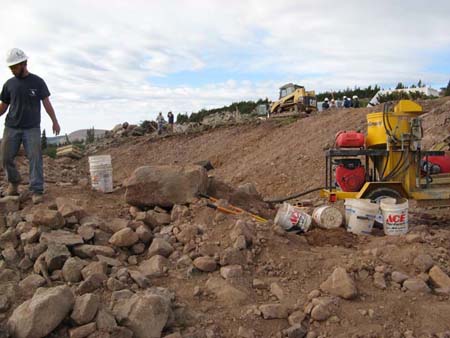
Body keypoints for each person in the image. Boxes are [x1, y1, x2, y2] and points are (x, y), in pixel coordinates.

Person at [0, 48, 60, 204]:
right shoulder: (9, 84)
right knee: (5, 157)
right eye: (11, 68)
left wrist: (54, 120)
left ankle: (37, 190)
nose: (12, 70)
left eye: (15, 67)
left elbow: (47, 103)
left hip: (32, 128)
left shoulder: (38, 82)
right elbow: (3, 106)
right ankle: (14, 182)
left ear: (23, 64)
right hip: (11, 127)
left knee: (35, 158)